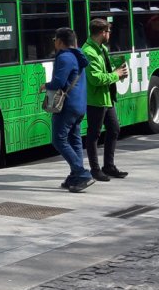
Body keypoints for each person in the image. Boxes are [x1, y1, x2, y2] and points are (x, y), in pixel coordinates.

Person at [41, 27, 92, 193]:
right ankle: (75, 175)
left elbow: (58, 83)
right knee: (74, 139)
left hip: (67, 106)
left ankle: (81, 173)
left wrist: (45, 86)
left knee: (58, 139)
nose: (54, 43)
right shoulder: (79, 55)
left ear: (60, 41)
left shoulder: (64, 57)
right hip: (79, 104)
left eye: (55, 40)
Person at [81, 19, 129, 182]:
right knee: (93, 135)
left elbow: (107, 71)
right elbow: (95, 79)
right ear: (102, 33)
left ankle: (108, 166)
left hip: (106, 98)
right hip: (95, 100)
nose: (109, 35)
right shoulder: (89, 52)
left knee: (114, 129)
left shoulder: (101, 49)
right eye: (108, 32)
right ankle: (95, 169)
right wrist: (116, 74)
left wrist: (119, 72)